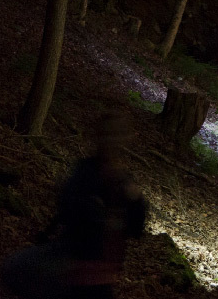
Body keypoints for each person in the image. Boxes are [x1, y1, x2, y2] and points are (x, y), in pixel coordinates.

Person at [46, 113, 147, 299]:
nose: (111, 141)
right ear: (98, 137)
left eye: (117, 135)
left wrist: (136, 201)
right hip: (73, 267)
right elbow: (68, 211)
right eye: (108, 135)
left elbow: (136, 228)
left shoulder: (124, 182)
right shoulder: (84, 172)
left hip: (101, 276)